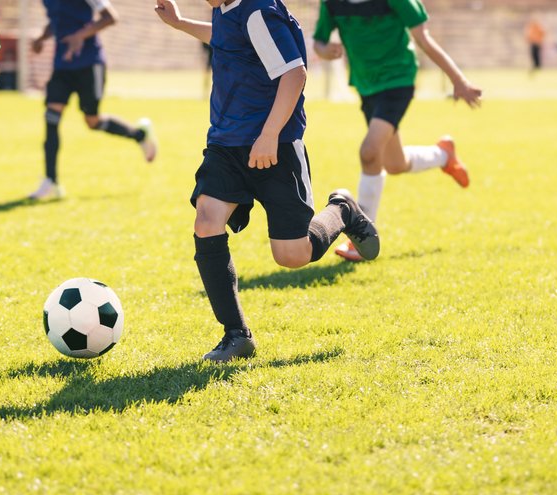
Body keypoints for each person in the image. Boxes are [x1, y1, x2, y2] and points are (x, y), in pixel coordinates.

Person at [154, 0, 380, 362]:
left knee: (291, 255)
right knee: (206, 221)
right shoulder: (225, 8)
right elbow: (228, 39)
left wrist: (270, 134)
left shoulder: (259, 10)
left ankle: (342, 210)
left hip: (275, 146)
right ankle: (236, 335)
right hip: (226, 144)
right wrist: (180, 23)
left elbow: (294, 74)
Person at [312, 0, 482, 261]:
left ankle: (361, 238)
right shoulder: (332, 3)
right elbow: (319, 42)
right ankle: (443, 155)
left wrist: (458, 80)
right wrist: (326, 51)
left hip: (397, 80)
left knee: (369, 152)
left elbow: (423, 39)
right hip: (366, 84)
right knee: (394, 163)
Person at [28, 0, 159, 200]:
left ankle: (140, 135)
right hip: (62, 66)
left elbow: (110, 17)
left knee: (92, 121)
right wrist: (42, 37)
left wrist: (79, 36)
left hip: (89, 64)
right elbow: (57, 19)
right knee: (51, 119)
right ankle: (51, 181)